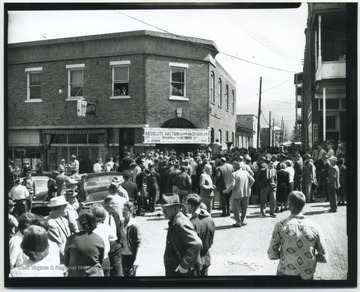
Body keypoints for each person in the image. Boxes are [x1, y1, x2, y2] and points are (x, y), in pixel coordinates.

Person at [268, 191, 327, 280]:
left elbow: (272, 254)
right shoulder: (315, 227)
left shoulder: (280, 226)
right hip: (306, 275)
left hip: (285, 273)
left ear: (290, 204)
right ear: (303, 205)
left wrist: (288, 256)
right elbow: (323, 255)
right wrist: (308, 258)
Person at [162, 193, 202, 277]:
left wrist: (184, 265)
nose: (163, 211)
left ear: (176, 208)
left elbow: (196, 243)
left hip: (179, 271)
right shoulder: (175, 221)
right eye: (163, 208)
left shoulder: (180, 222)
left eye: (166, 209)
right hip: (174, 268)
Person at [65, 209, 105, 277]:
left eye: (77, 220)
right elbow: (100, 260)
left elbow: (67, 260)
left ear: (81, 222)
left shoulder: (71, 239)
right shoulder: (99, 239)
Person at [186, 194, 215, 276]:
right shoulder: (210, 219)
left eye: (186, 204)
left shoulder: (192, 223)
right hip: (206, 257)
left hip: (196, 262)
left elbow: (191, 246)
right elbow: (211, 239)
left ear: (190, 206)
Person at [103, 195, 125, 277]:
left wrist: (120, 243)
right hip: (104, 246)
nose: (118, 206)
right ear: (110, 204)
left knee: (117, 271)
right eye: (116, 204)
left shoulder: (115, 214)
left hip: (115, 246)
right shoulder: (100, 216)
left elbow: (118, 229)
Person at [46, 196, 71, 264]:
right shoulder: (50, 223)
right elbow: (59, 246)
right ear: (61, 209)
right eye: (65, 208)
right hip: (60, 261)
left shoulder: (64, 220)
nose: (67, 210)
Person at [230, 161, 255, 227]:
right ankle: (243, 220)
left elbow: (232, 185)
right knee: (244, 208)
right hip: (246, 192)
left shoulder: (234, 174)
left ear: (235, 167)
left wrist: (227, 190)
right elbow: (252, 180)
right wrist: (248, 186)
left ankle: (238, 222)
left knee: (236, 209)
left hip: (237, 193)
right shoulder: (246, 173)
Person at [91, 204, 112, 277]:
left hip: (94, 261)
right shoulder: (106, 227)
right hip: (105, 258)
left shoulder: (91, 229)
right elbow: (112, 237)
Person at [121, 202, 141, 277]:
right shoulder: (121, 222)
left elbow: (138, 243)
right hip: (122, 254)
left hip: (131, 255)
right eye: (123, 209)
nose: (123, 211)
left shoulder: (134, 225)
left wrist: (137, 259)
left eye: (126, 210)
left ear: (131, 212)